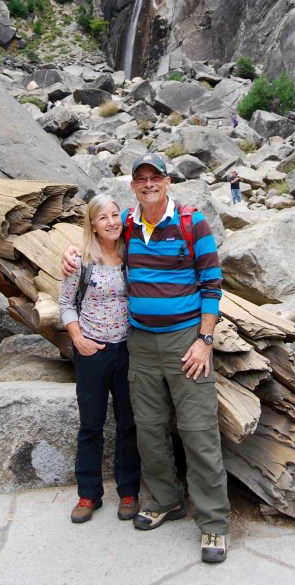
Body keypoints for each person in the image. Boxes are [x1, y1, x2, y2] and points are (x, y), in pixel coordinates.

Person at [61, 153, 230, 563]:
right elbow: (93, 241)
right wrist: (68, 252)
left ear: (168, 182)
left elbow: (212, 285)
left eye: (156, 177)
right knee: (149, 429)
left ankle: (213, 525)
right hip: (139, 343)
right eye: (141, 179)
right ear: (133, 186)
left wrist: (204, 340)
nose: (149, 184)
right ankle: (167, 500)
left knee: (197, 429)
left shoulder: (193, 223)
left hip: (184, 342)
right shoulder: (130, 225)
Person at [59, 194, 140, 525]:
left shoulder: (129, 255)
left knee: (129, 423)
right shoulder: (81, 261)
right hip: (93, 352)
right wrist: (79, 339)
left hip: (127, 350)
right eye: (103, 217)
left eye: (114, 215)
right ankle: (88, 493)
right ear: (92, 224)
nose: (111, 222)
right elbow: (66, 304)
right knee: (91, 425)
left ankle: (129, 491)